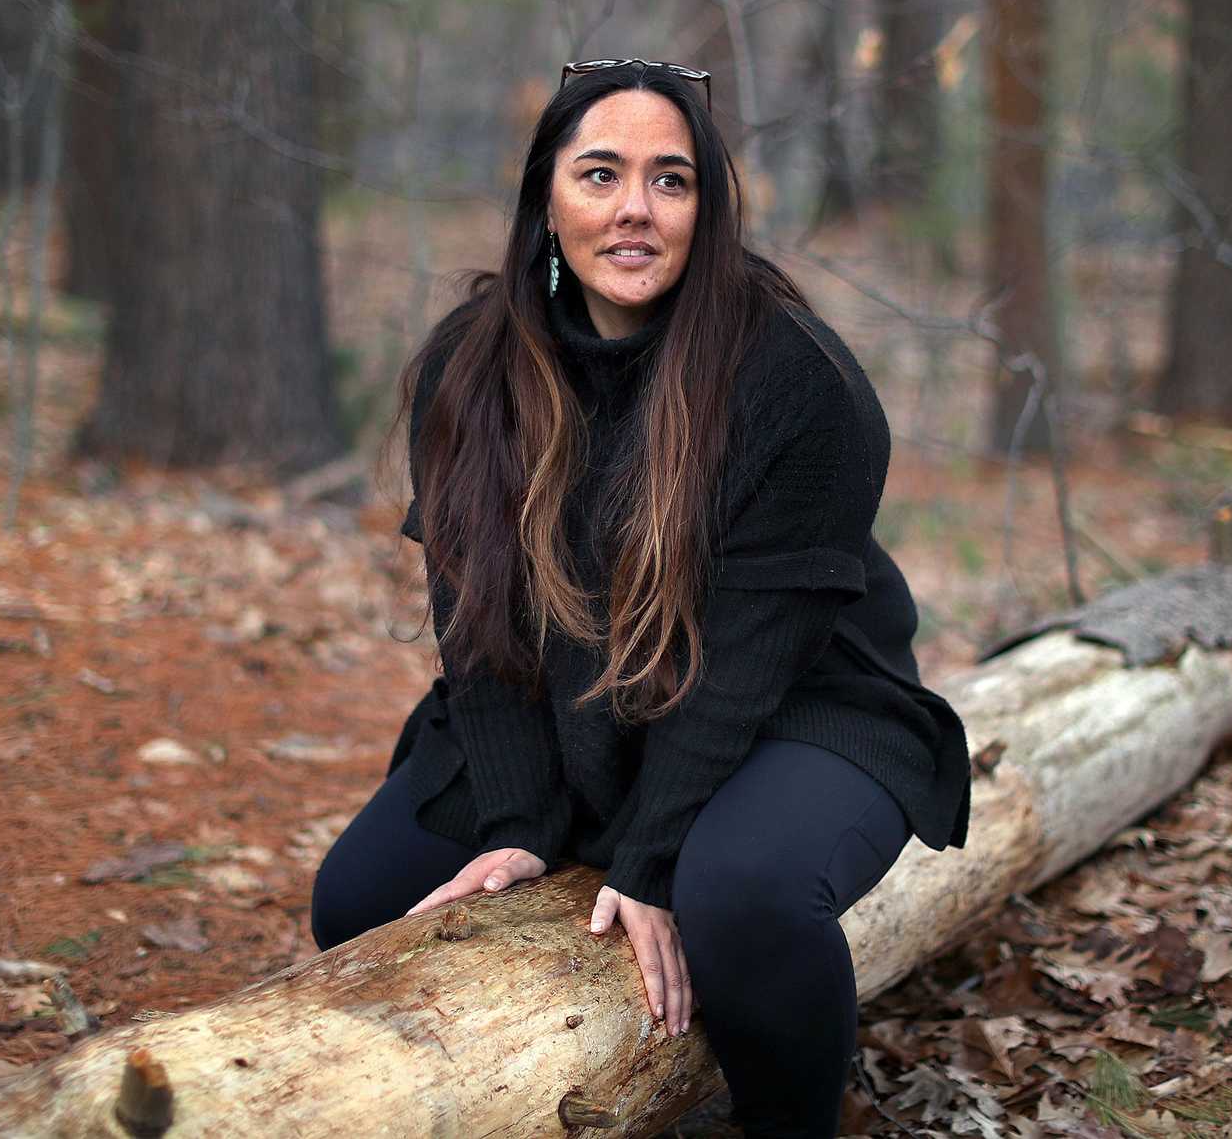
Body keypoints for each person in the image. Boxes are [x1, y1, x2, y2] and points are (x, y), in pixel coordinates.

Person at [310, 58, 973, 1137]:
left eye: (671, 180)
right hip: (571, 702)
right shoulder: (468, 371)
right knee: (359, 897)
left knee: (741, 896)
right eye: (599, 173)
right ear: (546, 198)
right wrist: (523, 822)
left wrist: (653, 854)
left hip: (788, 704)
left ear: (707, 211)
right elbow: (472, 631)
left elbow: (753, 656)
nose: (633, 208)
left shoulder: (796, 379)